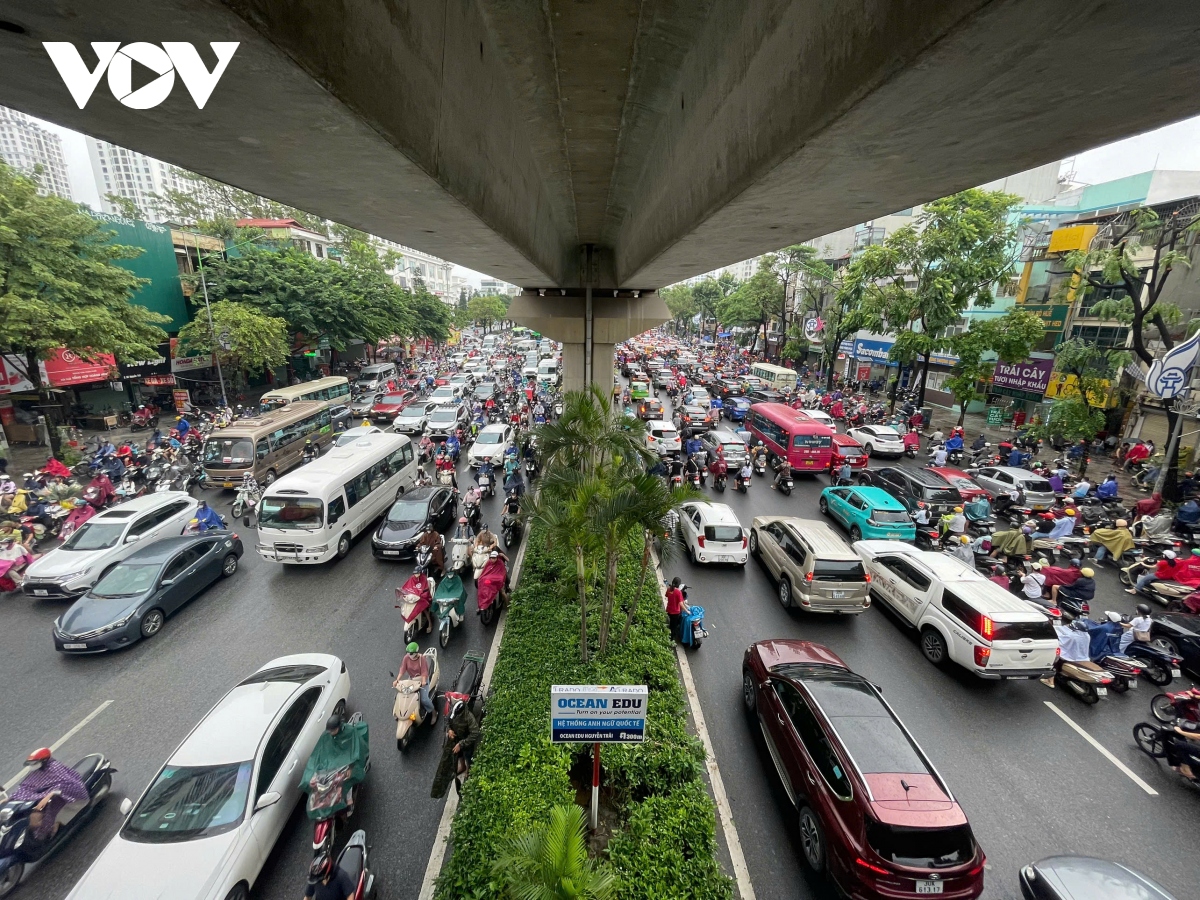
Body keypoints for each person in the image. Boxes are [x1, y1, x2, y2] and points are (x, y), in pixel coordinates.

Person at [10, 748, 89, 846]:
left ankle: (52, 829)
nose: (32, 766)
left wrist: (50, 795)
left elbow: (70, 785)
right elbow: (26, 786)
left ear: (43, 761)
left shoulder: (55, 768)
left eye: (34, 763)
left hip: (64, 796)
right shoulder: (37, 771)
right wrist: (10, 798)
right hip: (43, 794)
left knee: (41, 816)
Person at [394, 641, 434, 719]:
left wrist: (423, 681)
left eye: (411, 653)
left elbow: (424, 672)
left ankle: (433, 712)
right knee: (403, 694)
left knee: (424, 699)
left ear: (416, 653)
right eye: (408, 652)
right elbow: (402, 669)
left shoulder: (421, 658)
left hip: (422, 680)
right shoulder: (406, 657)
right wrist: (397, 680)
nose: (409, 654)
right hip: (412, 679)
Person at [665, 577, 690, 641]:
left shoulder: (668, 589)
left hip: (669, 610)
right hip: (675, 612)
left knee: (671, 623)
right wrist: (687, 611)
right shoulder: (678, 592)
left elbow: (666, 595)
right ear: (679, 584)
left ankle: (669, 633)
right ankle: (671, 639)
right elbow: (681, 604)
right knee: (674, 626)